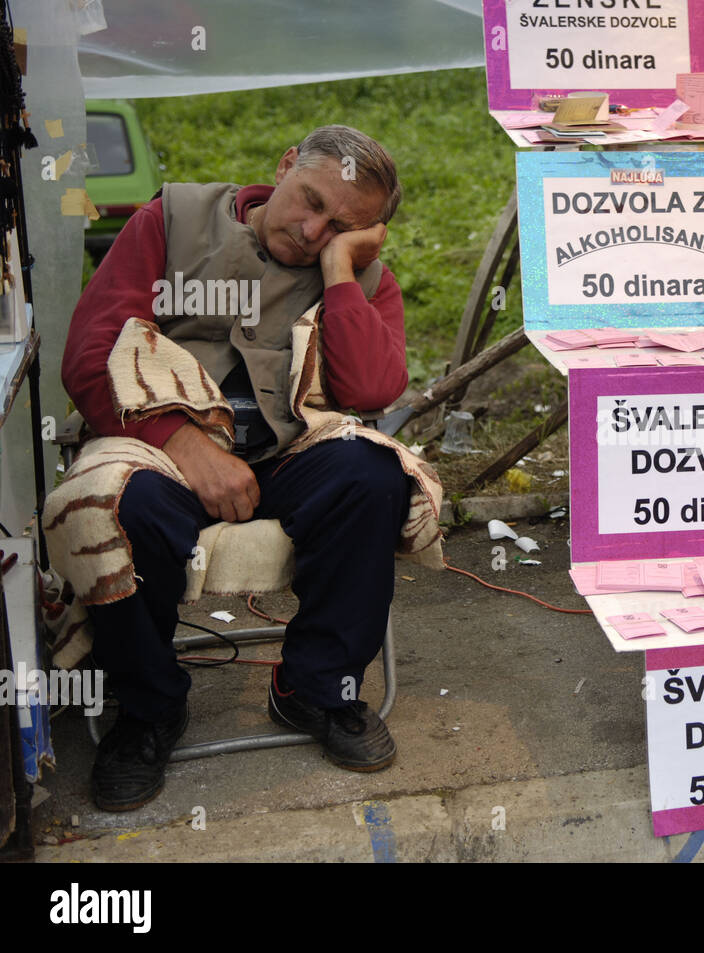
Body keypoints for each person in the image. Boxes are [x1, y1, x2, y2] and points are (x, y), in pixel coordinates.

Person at [47, 125, 442, 811]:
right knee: (117, 507)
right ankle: (148, 709)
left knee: (374, 478)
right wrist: (183, 443)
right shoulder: (173, 220)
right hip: (161, 448)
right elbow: (89, 353)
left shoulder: (362, 277)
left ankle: (314, 691)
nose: (313, 229)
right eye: (309, 199)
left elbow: (375, 388)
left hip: (288, 455)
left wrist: (343, 274)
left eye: (341, 227)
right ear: (285, 163)